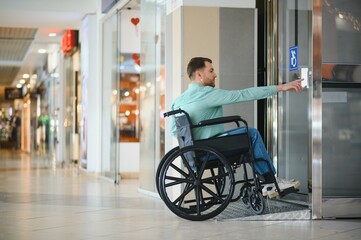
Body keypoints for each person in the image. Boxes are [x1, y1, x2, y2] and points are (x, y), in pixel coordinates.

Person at [170, 57, 304, 198]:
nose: (215, 74)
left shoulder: (178, 101)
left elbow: (174, 130)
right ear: (199, 75)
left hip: (193, 151)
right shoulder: (206, 94)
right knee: (251, 133)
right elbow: (243, 95)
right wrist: (281, 87)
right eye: (211, 71)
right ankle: (270, 181)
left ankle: (266, 180)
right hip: (211, 148)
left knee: (245, 141)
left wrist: (197, 137)